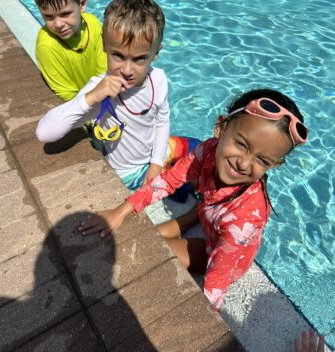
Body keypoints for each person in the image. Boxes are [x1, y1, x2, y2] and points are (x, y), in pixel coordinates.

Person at [77, 88, 309, 311]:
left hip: (222, 254)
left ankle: (192, 217)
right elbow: (167, 181)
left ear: (274, 165)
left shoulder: (244, 220)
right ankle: (192, 217)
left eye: (262, 160)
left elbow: (217, 282)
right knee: (143, 241)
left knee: (150, 257)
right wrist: (120, 212)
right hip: (212, 219)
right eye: (240, 144)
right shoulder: (209, 149)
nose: (244, 163)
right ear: (221, 127)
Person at [36, 0, 176, 189]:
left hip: (152, 158)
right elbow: (44, 133)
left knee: (199, 152)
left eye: (139, 59)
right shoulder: (100, 89)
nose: (127, 70)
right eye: (118, 55)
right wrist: (90, 98)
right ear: (103, 44)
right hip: (128, 173)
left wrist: (156, 164)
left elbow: (161, 121)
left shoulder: (158, 79)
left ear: (156, 53)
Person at [31, 0, 107, 101]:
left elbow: (104, 72)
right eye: (48, 16)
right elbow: (68, 95)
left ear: (82, 4)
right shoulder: (47, 46)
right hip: (80, 107)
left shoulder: (94, 24)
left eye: (65, 14)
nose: (58, 24)